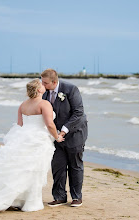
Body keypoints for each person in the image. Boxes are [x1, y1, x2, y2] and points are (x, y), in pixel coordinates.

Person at [0, 79, 64, 214]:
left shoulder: (23, 105)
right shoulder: (44, 104)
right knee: (33, 170)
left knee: (19, 169)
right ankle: (29, 202)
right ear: (39, 90)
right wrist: (57, 137)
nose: (44, 86)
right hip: (38, 140)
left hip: (22, 138)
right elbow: (50, 124)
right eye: (41, 84)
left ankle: (17, 200)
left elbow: (20, 124)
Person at [41, 68, 88, 207]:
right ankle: (59, 196)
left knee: (75, 165)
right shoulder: (44, 93)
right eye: (41, 82)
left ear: (54, 82)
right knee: (58, 166)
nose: (42, 85)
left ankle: (76, 197)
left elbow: (78, 113)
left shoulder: (71, 89)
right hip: (55, 136)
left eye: (45, 83)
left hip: (75, 133)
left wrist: (64, 130)